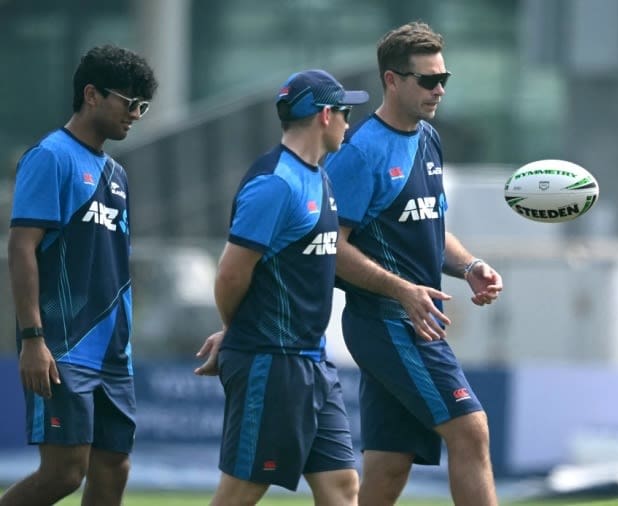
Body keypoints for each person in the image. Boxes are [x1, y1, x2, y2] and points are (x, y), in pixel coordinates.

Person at [323, 21, 503, 506]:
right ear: (392, 80)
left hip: (416, 320)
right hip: (389, 323)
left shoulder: (427, 138)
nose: (438, 89)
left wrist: (470, 267)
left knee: (387, 467)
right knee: (471, 431)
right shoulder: (360, 153)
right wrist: (402, 290)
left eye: (444, 79)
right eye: (427, 80)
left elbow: (430, 227)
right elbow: (331, 248)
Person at [193, 69, 368, 506]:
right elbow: (230, 274)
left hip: (310, 361)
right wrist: (237, 329)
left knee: (342, 485)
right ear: (326, 115)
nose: (350, 122)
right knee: (241, 491)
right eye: (346, 111)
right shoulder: (275, 183)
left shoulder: (319, 177)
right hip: (272, 360)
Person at [3, 45, 157, 505]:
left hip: (113, 353)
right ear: (91, 94)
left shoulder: (117, 173)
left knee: (114, 469)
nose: (136, 114)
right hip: (62, 346)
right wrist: (33, 338)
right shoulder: (50, 157)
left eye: (143, 107)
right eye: (129, 102)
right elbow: (21, 247)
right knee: (65, 474)